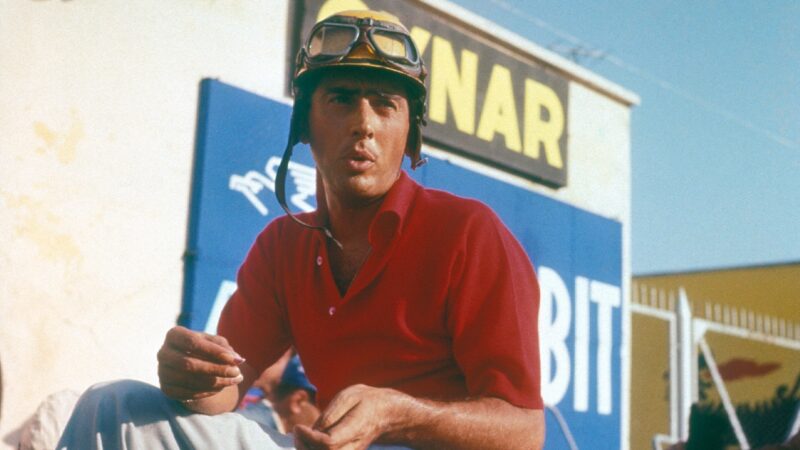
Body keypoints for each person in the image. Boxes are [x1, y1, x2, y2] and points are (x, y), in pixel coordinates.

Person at [58, 9, 544, 450]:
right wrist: (191, 379)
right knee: (111, 405)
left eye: (384, 104)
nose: (364, 124)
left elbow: (524, 431)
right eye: (341, 99)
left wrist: (397, 413)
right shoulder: (281, 247)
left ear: (409, 132)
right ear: (304, 124)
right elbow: (226, 392)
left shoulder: (469, 232)